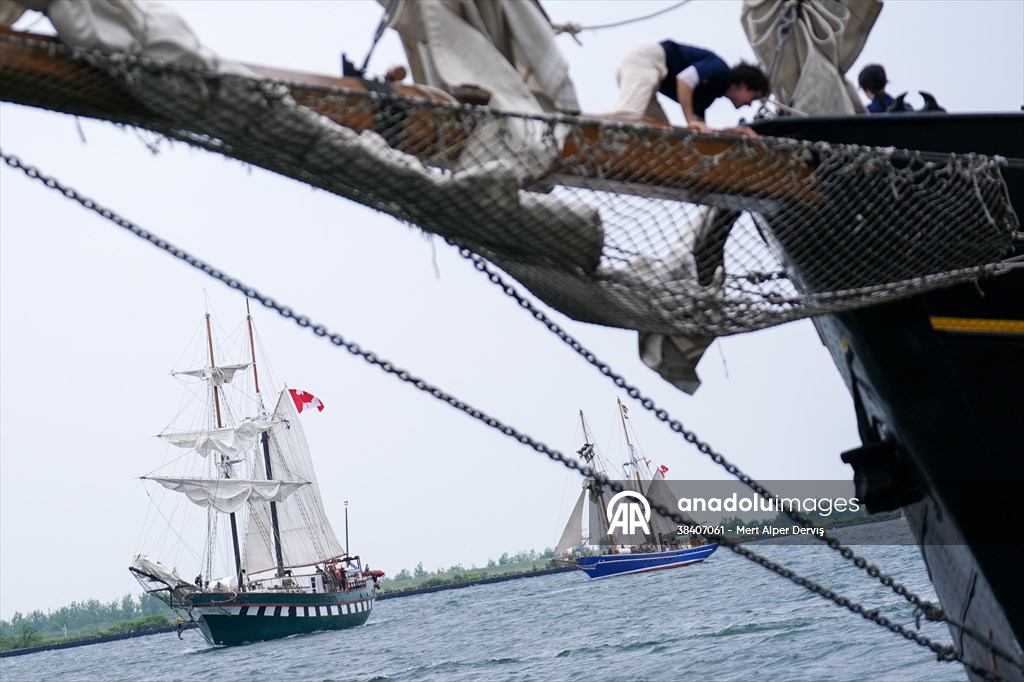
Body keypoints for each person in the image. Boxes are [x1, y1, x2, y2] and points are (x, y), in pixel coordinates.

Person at [611, 40, 769, 136]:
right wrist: (690, 120)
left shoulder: (708, 95)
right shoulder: (721, 70)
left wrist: (732, 132)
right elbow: (685, 80)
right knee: (630, 115)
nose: (750, 104)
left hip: (651, 74)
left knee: (663, 135)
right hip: (647, 60)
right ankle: (586, 121)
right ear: (743, 85)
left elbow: (701, 132)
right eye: (753, 98)